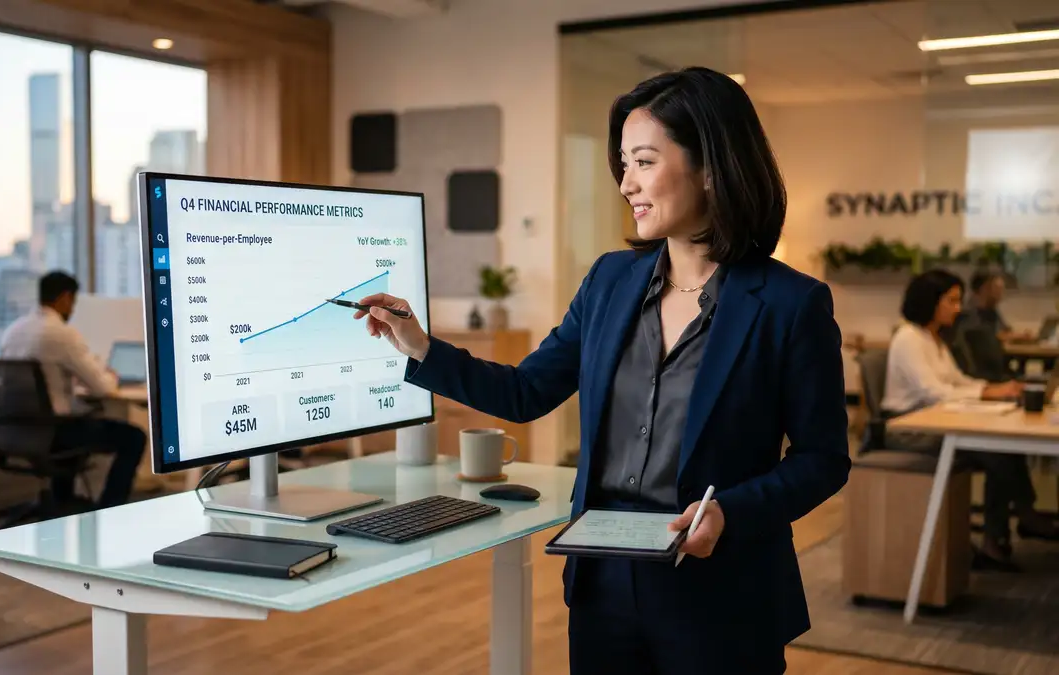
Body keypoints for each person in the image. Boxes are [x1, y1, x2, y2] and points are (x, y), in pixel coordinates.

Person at [351, 68, 850, 674]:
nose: (626, 183)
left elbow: (822, 459)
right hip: (603, 584)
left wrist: (730, 513)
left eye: (644, 162)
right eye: (623, 163)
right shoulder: (610, 281)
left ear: (711, 168)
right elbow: (526, 391)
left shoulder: (791, 303)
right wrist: (420, 347)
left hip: (721, 589)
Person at [883, 269, 1057, 570]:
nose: (958, 308)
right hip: (908, 428)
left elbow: (958, 381)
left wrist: (996, 389)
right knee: (996, 452)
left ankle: (1008, 529)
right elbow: (934, 393)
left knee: (1003, 447)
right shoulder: (909, 338)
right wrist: (988, 392)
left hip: (936, 421)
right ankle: (1013, 526)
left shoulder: (933, 338)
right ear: (931, 301)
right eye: (951, 301)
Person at [0, 271, 146, 508]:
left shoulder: (13, 331)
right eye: (73, 302)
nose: (73, 309)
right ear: (65, 298)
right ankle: (109, 508)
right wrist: (110, 377)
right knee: (134, 438)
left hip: (15, 431)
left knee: (77, 420)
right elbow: (102, 388)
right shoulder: (62, 334)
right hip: (53, 434)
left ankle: (63, 500)